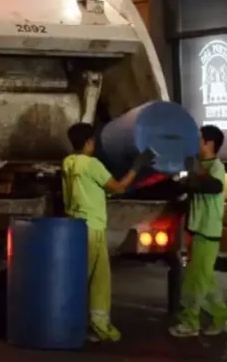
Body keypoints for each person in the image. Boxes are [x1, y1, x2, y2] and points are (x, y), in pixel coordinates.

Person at [63, 122, 155, 343]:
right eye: (93, 140)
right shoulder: (92, 164)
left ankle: (74, 323)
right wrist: (136, 167)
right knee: (99, 280)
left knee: (78, 279)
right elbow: (119, 187)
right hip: (93, 228)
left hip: (75, 227)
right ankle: (100, 327)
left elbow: (92, 188)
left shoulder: (68, 163)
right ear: (87, 143)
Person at [169, 125, 227, 338]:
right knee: (206, 280)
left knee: (194, 281)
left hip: (207, 232)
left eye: (199, 139)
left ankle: (190, 322)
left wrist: (193, 169)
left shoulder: (216, 168)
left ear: (209, 144)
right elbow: (184, 187)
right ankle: (221, 317)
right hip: (198, 230)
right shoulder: (201, 166)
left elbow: (214, 186)